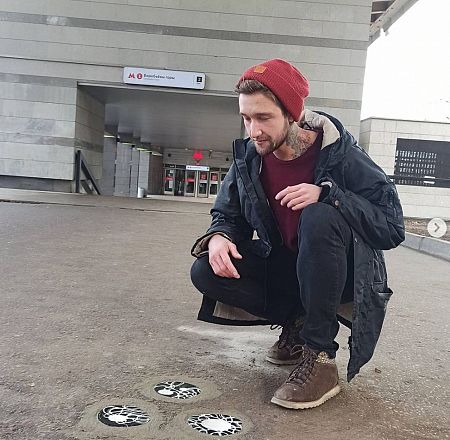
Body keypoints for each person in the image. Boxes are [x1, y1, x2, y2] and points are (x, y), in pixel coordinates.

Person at [190, 59, 404, 410]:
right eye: (246, 118)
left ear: (292, 113)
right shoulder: (249, 156)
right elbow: (226, 213)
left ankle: (320, 357)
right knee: (205, 269)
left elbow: (392, 226)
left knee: (319, 215)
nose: (253, 130)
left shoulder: (341, 154)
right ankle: (297, 323)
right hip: (290, 269)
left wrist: (330, 195)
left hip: (343, 275)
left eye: (263, 118)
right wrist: (219, 237)